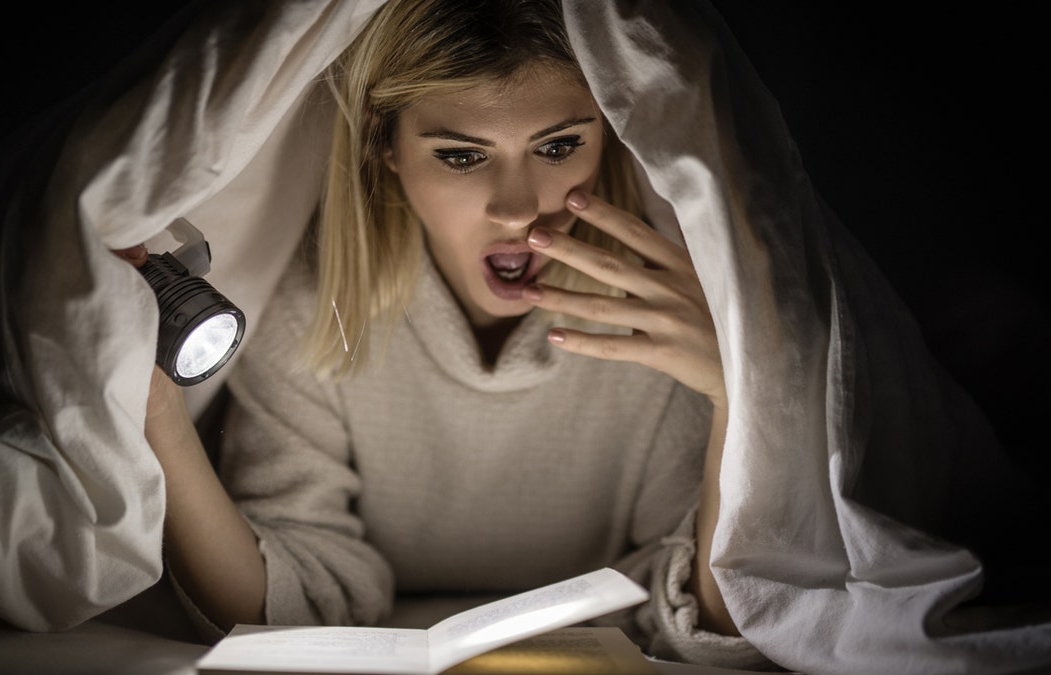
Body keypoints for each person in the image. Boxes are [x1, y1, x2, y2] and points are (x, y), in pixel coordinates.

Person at [120, 0, 1050, 672]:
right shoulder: (310, 314)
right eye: (461, 156)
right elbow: (282, 590)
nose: (517, 207)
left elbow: (720, 608)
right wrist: (157, 412)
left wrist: (740, 392)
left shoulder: (659, 314)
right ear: (386, 149)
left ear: (607, 135)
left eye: (559, 145)